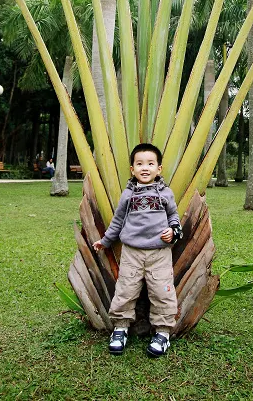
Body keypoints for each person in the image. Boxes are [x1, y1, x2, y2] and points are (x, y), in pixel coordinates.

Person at [93, 143, 182, 358]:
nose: (145, 168)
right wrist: (105, 241)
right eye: (139, 164)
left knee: (162, 291)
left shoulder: (165, 194)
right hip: (132, 252)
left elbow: (174, 218)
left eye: (150, 164)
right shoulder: (128, 195)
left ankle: (162, 333)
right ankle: (120, 328)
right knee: (126, 289)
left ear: (159, 169)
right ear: (132, 169)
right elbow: (117, 222)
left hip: (159, 253)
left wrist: (173, 232)